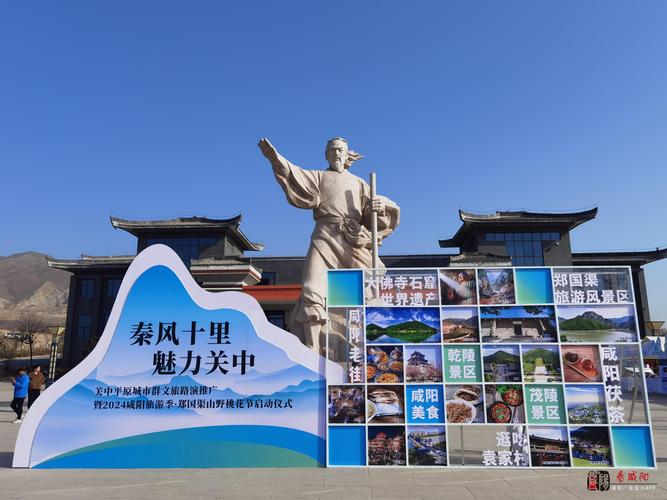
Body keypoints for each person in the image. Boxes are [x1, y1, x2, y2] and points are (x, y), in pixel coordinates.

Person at [258, 137, 400, 353]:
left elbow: (375, 219)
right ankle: (311, 349)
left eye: (340, 150)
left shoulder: (360, 183)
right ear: (326, 154)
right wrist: (275, 159)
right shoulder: (319, 177)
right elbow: (293, 173)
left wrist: (379, 206)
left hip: (353, 241)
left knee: (367, 291)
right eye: (332, 149)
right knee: (311, 289)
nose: (336, 153)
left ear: (347, 153)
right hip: (324, 237)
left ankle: (369, 342)